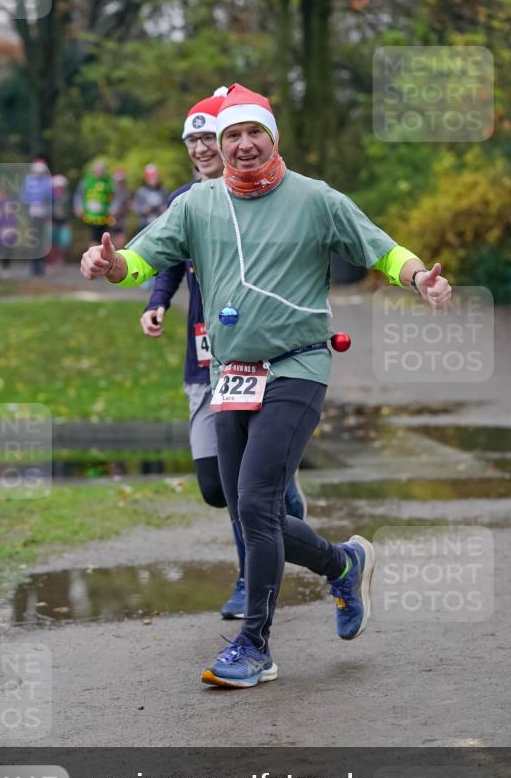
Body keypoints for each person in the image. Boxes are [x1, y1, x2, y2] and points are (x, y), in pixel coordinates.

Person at [81, 83, 452, 689]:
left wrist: (419, 279)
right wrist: (109, 265)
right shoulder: (197, 204)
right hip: (230, 375)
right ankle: (343, 563)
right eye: (232, 135)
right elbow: (142, 260)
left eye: (255, 132)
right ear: (220, 143)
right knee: (252, 512)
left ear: (273, 138)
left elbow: (381, 250)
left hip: (297, 366)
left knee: (256, 504)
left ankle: (254, 646)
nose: (244, 144)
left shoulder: (315, 198)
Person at [139, 88, 307, 621]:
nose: (201, 149)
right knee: (217, 487)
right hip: (204, 355)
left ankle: (247, 577)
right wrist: (157, 302)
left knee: (245, 488)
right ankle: (286, 493)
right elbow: (164, 257)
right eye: (192, 141)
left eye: (209, 138)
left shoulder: (266, 197)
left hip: (259, 353)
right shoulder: (187, 201)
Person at [20, 159, 52, 276]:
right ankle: (34, 267)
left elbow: (50, 198)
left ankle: (40, 266)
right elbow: (24, 196)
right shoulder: (29, 180)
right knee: (35, 241)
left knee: (42, 241)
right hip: (32, 214)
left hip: (44, 214)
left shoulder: (47, 181)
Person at [73, 159, 115, 247]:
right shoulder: (86, 181)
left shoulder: (109, 182)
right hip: (88, 216)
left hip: (104, 216)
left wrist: (113, 209)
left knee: (104, 238)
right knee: (93, 238)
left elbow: (115, 197)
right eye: (97, 170)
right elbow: (79, 195)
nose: (99, 172)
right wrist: (79, 208)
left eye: (101, 170)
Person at [49, 174, 72, 266]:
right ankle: (52, 260)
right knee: (53, 241)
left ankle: (61, 260)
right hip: (53, 221)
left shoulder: (67, 197)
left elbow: (70, 210)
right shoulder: (51, 197)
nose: (59, 189)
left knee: (64, 241)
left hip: (64, 222)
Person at [110, 168, 131, 249]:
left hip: (122, 219)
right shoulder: (110, 190)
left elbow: (127, 205)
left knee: (121, 238)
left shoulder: (126, 191)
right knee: (111, 238)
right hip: (111, 218)